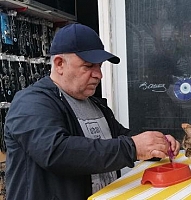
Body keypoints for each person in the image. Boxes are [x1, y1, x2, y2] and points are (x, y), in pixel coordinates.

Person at [4, 23, 180, 200]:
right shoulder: (30, 102)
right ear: (59, 64)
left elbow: (119, 138)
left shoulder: (95, 104)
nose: (99, 75)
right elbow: (56, 152)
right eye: (88, 66)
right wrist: (133, 148)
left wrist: (154, 145)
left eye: (99, 66)